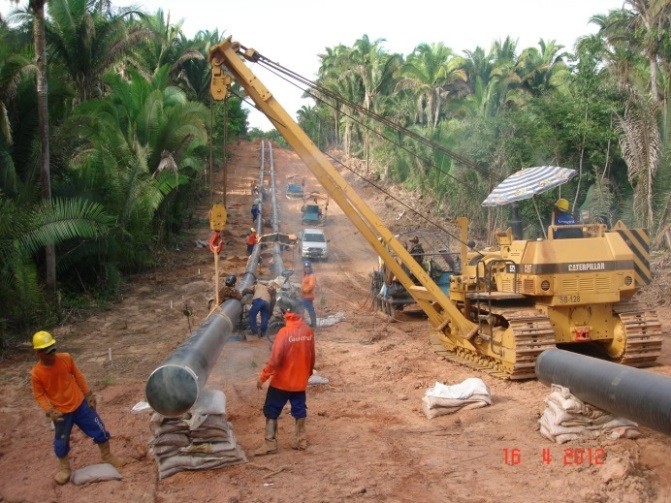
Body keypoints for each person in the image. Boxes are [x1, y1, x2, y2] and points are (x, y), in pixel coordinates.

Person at [30, 330, 126, 485]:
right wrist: (49, 410)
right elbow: (39, 395)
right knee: (61, 441)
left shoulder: (65, 358)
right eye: (46, 351)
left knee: (99, 429)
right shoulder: (36, 373)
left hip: (80, 405)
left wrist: (88, 394)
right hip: (61, 412)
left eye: (52, 349)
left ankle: (107, 456)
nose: (51, 353)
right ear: (37, 353)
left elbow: (78, 375)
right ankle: (64, 468)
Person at [255, 296, 315, 456]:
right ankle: (300, 441)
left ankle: (270, 444)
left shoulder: (284, 333)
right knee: (299, 409)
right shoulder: (308, 331)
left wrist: (263, 377)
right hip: (299, 382)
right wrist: (306, 375)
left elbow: (275, 359)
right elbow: (311, 357)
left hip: (281, 383)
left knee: (271, 410)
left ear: (286, 312)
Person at [300, 260, 317, 328]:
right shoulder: (305, 275)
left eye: (308, 267)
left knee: (310, 310)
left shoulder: (311, 276)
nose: (307, 268)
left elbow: (311, 285)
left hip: (308, 296)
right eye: (305, 267)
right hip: (304, 296)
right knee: (303, 309)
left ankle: (313, 324)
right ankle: (304, 323)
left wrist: (304, 290)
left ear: (310, 268)